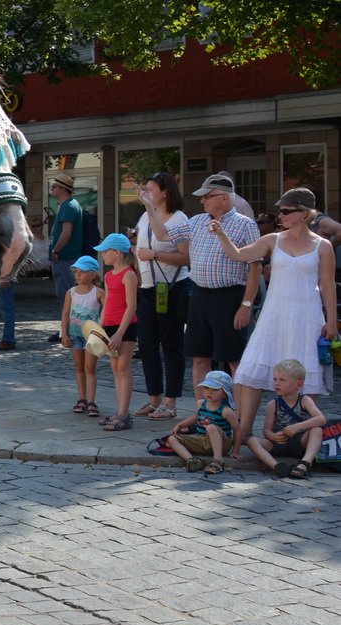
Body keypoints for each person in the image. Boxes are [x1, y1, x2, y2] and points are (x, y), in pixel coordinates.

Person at [209, 186, 336, 452]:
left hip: (307, 316)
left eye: (287, 211)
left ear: (304, 213)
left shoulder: (322, 245)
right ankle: (244, 432)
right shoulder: (273, 240)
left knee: (305, 374)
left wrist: (331, 321)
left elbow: (327, 285)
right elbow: (238, 254)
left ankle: (302, 436)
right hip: (274, 315)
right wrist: (221, 234)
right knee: (250, 372)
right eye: (280, 210)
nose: (281, 215)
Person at [146, 172, 262, 411]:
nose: (203, 200)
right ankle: (203, 413)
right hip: (199, 295)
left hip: (229, 296)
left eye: (208, 196)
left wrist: (246, 305)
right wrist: (149, 207)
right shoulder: (197, 221)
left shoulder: (245, 224)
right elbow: (162, 234)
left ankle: (239, 416)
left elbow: (255, 267)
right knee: (199, 357)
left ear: (224, 197)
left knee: (234, 359)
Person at [130, 172, 192, 421]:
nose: (146, 193)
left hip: (172, 288)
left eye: (150, 189)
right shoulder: (146, 216)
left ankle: (170, 402)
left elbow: (185, 257)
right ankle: (154, 398)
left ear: (165, 192)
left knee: (171, 345)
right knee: (146, 345)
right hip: (148, 288)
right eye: (144, 189)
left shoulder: (179, 218)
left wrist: (155, 255)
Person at [244, 359, 327, 480]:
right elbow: (266, 430)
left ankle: (305, 463)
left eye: (282, 380)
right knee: (252, 441)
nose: (277, 383)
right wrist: (273, 436)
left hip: (300, 441)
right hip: (279, 442)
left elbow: (321, 419)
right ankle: (277, 466)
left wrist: (297, 427)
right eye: (275, 379)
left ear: (298, 384)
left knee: (317, 430)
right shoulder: (273, 404)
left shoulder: (305, 400)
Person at [96, 234, 140, 430]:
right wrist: (100, 327)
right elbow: (106, 304)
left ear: (117, 252)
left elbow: (131, 307)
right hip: (110, 326)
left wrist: (120, 333)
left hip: (125, 327)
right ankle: (120, 411)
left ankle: (123, 414)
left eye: (105, 251)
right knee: (115, 369)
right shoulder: (108, 275)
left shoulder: (129, 274)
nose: (103, 255)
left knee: (123, 368)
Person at [165, 370, 237, 476]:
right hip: (202, 440)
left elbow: (237, 431)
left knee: (211, 427)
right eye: (207, 388)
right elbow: (196, 417)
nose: (209, 392)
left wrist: (235, 451)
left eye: (215, 389)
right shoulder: (201, 403)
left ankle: (218, 460)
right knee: (172, 438)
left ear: (225, 394)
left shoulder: (226, 411)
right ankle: (192, 460)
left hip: (222, 445)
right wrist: (180, 425)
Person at [60, 255, 105, 419]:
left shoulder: (99, 293)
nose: (78, 275)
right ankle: (82, 398)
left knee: (90, 367)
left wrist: (102, 332)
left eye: (82, 272)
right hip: (74, 334)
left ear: (93, 274)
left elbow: (107, 311)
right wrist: (64, 333)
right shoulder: (71, 293)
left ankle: (91, 401)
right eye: (76, 272)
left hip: (92, 336)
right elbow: (65, 313)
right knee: (79, 366)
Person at [46, 175, 85, 340]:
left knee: (66, 296)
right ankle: (68, 330)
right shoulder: (70, 205)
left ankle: (68, 331)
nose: (52, 189)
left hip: (65, 259)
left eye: (54, 186)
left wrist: (56, 251)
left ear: (63, 188)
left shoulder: (69, 206)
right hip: (68, 259)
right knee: (69, 296)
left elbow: (66, 233)